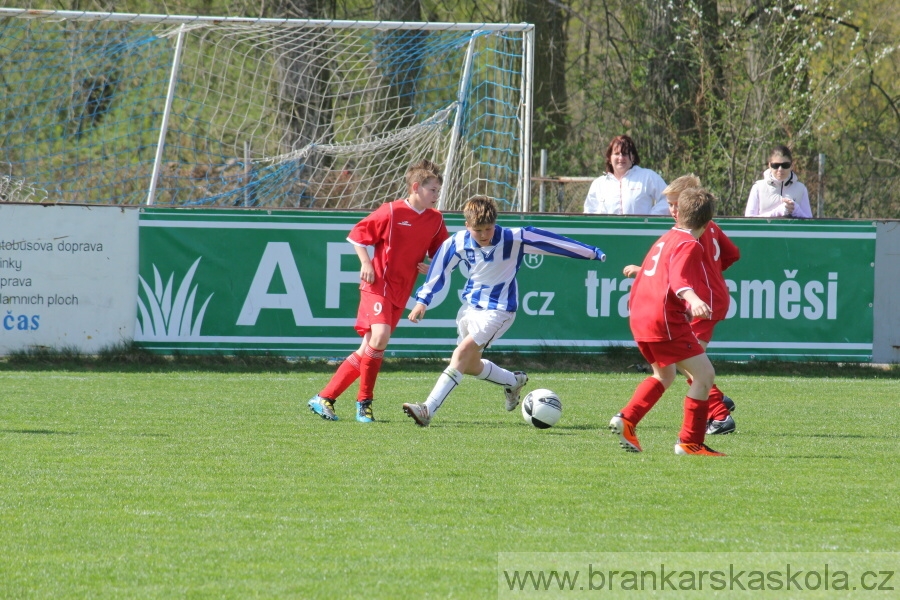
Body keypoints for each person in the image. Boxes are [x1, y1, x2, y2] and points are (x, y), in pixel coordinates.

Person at [402, 195, 607, 427]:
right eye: (477, 230)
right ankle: (513, 380)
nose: (483, 235)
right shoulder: (457, 242)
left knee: (460, 354)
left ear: (495, 222)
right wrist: (422, 301)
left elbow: (551, 242)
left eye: (488, 228)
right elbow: (439, 270)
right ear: (467, 225)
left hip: (499, 310)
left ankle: (427, 409)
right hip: (470, 308)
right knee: (469, 365)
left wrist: (592, 252)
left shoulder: (513, 237)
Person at [308, 159, 449, 423]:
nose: (436, 195)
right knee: (380, 336)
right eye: (433, 190)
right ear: (416, 187)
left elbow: (441, 254)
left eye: (437, 191)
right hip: (378, 286)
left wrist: (430, 266)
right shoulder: (391, 211)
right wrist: (365, 263)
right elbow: (358, 235)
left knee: (367, 350)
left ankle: (324, 397)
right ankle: (364, 403)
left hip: (401, 290)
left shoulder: (435, 219)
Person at [609, 186, 725, 456]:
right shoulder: (689, 244)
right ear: (708, 223)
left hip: (640, 316)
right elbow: (678, 280)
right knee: (704, 375)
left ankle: (627, 419)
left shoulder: (666, 237)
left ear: (678, 213)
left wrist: (682, 305)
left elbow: (659, 277)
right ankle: (690, 442)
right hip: (663, 321)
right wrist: (693, 300)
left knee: (664, 374)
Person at [623, 175, 740, 435]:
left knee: (691, 365)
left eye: (677, 204)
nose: (673, 210)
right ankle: (717, 402)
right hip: (706, 298)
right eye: (671, 205)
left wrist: (702, 283)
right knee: (689, 365)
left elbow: (678, 273)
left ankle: (718, 413)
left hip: (700, 301)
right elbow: (732, 254)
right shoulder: (708, 227)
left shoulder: (689, 234)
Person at [583, 134, 670, 216]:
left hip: (640, 231)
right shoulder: (599, 184)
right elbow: (589, 212)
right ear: (609, 158)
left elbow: (668, 198)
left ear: (632, 157)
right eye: (616, 154)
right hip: (607, 231)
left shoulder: (647, 177)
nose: (621, 158)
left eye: (625, 154)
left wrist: (650, 218)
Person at [744, 144, 813, 218]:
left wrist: (796, 210)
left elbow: (809, 222)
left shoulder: (801, 189)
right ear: (769, 165)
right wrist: (777, 212)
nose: (780, 169)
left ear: (791, 166)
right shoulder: (758, 188)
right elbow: (749, 220)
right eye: (775, 165)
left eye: (785, 165)